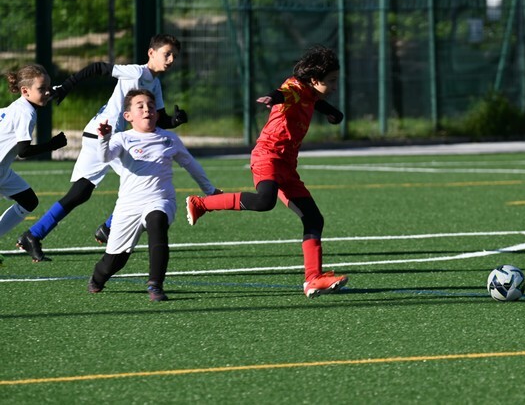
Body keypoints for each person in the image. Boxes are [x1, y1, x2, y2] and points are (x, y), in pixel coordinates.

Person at [185, 45, 348, 298]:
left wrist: (333, 112)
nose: (336, 86)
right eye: (332, 81)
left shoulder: (310, 92)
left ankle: (313, 279)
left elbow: (314, 101)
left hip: (287, 165)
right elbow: (285, 93)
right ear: (315, 79)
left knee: (314, 219)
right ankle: (202, 204)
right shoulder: (295, 87)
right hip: (268, 155)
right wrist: (272, 97)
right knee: (264, 201)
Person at [17, 34, 188, 262]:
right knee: (144, 183)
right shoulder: (137, 73)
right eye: (167, 54)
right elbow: (98, 67)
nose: (171, 60)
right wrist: (66, 87)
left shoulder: (154, 83)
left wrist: (175, 120)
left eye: (174, 56)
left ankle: (34, 234)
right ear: (151, 53)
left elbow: (160, 119)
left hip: (101, 136)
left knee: (80, 193)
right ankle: (108, 228)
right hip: (105, 136)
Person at [88, 88, 219, 301]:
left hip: (161, 199)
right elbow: (105, 158)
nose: (147, 109)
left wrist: (210, 191)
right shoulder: (122, 138)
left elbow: (191, 164)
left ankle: (155, 284)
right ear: (128, 116)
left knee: (157, 222)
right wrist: (104, 138)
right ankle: (97, 278)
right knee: (114, 261)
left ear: (157, 114)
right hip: (128, 206)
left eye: (150, 106)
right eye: (140, 106)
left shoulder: (169, 138)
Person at [0, 65, 67, 249]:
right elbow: (24, 151)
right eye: (42, 89)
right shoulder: (26, 113)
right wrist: (52, 145)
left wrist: (62, 88)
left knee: (29, 201)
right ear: (25, 91)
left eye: (48, 87)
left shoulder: (19, 105)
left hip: (2, 170)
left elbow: (46, 92)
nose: (47, 92)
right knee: (28, 201)